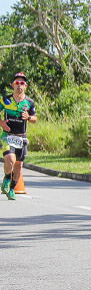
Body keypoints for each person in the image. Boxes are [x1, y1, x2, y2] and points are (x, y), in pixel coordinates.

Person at [1, 72, 38, 200]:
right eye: (17, 83)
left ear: (26, 86)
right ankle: (6, 178)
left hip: (21, 137)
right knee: (10, 159)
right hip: (7, 135)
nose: (19, 86)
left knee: (18, 165)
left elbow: (35, 118)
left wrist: (29, 117)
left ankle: (12, 189)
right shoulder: (6, 100)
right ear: (12, 85)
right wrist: (1, 123)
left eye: (22, 83)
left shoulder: (29, 102)